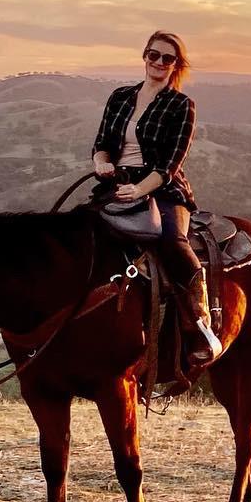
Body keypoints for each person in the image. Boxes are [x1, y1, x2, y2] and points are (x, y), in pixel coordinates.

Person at [91, 32, 222, 367]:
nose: (159, 63)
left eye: (168, 58)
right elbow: (103, 142)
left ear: (176, 65)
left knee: (172, 240)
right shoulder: (120, 97)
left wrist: (139, 190)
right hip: (116, 184)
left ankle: (200, 324)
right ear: (144, 56)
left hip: (162, 188)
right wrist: (102, 164)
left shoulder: (181, 105)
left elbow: (169, 164)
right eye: (154, 55)